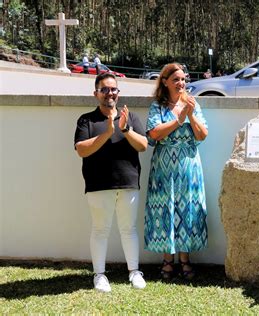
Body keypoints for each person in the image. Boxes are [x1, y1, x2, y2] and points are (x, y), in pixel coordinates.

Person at [74, 73, 148, 292]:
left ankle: (134, 272)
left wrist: (125, 129)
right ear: (96, 93)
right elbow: (81, 150)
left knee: (129, 229)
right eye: (104, 89)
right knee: (100, 230)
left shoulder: (130, 117)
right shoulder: (86, 120)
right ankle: (99, 275)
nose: (110, 93)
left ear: (118, 92)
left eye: (113, 89)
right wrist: (107, 133)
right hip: (98, 184)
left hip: (128, 182)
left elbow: (143, 145)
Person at [144, 63, 208, 280]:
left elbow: (202, 135)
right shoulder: (158, 107)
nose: (181, 83)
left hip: (188, 164)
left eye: (183, 79)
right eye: (176, 80)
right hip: (164, 166)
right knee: (165, 207)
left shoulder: (193, 104)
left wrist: (190, 115)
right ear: (165, 82)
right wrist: (178, 119)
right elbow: (154, 133)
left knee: (187, 207)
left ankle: (185, 260)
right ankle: (167, 260)